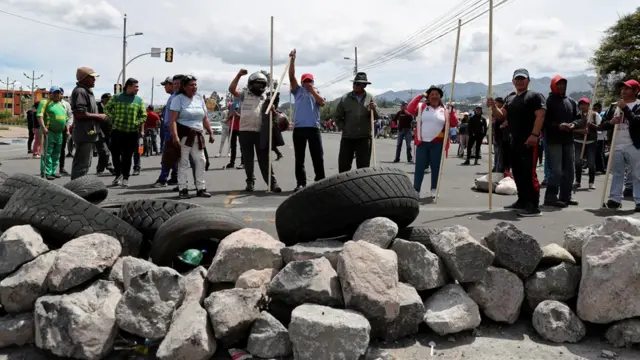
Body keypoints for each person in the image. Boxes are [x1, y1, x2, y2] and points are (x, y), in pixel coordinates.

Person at [488, 68, 546, 217]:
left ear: (528, 80)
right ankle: (522, 200)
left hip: (529, 140)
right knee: (518, 172)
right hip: (514, 141)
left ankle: (533, 205)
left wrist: (534, 135)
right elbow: (501, 116)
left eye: (523, 78)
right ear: (513, 81)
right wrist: (493, 106)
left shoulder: (535, 96)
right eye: (517, 78)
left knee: (528, 172)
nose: (520, 81)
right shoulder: (511, 98)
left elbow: (540, 116)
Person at [228, 69, 281, 192]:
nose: (259, 87)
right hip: (245, 131)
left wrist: (272, 108)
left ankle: (272, 183)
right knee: (248, 159)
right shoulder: (244, 94)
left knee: (264, 160)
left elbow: (273, 113)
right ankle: (250, 182)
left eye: (261, 84)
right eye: (256, 84)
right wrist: (239, 75)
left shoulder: (267, 97)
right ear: (251, 84)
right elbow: (232, 89)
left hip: (260, 132)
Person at [408, 86, 458, 198]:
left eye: (437, 94)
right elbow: (410, 109)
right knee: (419, 168)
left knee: (436, 168)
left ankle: (434, 189)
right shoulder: (421, 107)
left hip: (438, 144)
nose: (434, 96)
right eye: (432, 94)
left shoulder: (445, 110)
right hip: (422, 143)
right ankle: (416, 190)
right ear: (428, 96)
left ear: (440, 96)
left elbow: (454, 123)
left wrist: (452, 111)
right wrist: (420, 96)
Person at [169, 75, 214, 198]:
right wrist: (175, 137)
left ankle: (201, 188)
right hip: (184, 135)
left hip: (197, 135)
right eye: (191, 85)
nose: (194, 87)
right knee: (183, 162)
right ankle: (183, 188)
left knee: (201, 161)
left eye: (195, 84)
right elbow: (173, 120)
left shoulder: (199, 98)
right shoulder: (178, 99)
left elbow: (204, 118)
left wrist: (210, 132)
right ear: (184, 87)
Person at [288, 49, 326, 191]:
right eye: (306, 81)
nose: (308, 83)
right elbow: (291, 76)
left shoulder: (317, 92)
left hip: (313, 128)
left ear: (313, 81)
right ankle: (301, 183)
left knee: (318, 156)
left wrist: (312, 91)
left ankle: (320, 180)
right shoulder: (297, 91)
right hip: (299, 129)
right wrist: (292, 60)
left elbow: (322, 103)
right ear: (302, 82)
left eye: (310, 81)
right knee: (299, 158)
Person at [599, 79, 640, 210]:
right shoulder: (613, 106)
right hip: (616, 144)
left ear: (636, 91)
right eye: (623, 88)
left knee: (637, 173)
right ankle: (614, 199)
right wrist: (611, 122)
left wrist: (625, 108)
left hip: (634, 144)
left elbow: (637, 122)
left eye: (627, 88)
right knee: (617, 173)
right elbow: (602, 125)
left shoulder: (639, 105)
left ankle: (639, 200)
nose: (623, 91)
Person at [542, 75, 582, 208]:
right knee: (557, 170)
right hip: (554, 140)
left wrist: (574, 125)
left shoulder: (571, 101)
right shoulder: (548, 102)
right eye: (558, 84)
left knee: (569, 170)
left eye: (563, 84)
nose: (561, 87)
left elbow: (579, 118)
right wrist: (558, 125)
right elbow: (544, 121)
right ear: (553, 86)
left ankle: (566, 197)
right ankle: (551, 197)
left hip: (568, 140)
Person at [333, 72, 381, 172]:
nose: (355, 85)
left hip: (364, 138)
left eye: (358, 84)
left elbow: (377, 116)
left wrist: (374, 108)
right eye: (354, 83)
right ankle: (344, 186)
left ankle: (361, 187)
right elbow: (337, 117)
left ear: (364, 85)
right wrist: (344, 127)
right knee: (344, 166)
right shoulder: (345, 98)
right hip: (348, 137)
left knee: (363, 168)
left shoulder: (370, 98)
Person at [104, 78, 147, 187]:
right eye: (136, 86)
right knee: (115, 155)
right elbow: (107, 109)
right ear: (129, 86)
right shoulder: (117, 97)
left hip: (132, 133)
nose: (138, 89)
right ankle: (118, 175)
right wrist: (114, 118)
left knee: (128, 156)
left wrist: (136, 123)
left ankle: (126, 178)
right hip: (117, 132)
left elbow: (143, 115)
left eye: (138, 86)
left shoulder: (139, 100)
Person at [70, 66, 104, 180]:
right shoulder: (80, 91)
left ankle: (78, 188)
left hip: (88, 133)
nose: (94, 80)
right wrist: (99, 116)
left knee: (85, 163)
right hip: (84, 134)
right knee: (82, 165)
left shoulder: (86, 91)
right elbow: (80, 113)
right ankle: (76, 190)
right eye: (92, 78)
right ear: (84, 78)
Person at [36, 86, 68, 179]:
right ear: (50, 94)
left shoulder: (61, 105)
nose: (56, 95)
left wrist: (67, 130)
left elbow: (65, 118)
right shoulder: (45, 102)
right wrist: (43, 127)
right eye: (54, 93)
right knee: (47, 153)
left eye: (58, 93)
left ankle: (53, 171)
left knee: (57, 153)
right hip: (49, 131)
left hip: (59, 133)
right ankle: (47, 172)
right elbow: (39, 116)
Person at [154, 76, 180, 188]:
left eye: (166, 84)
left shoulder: (176, 97)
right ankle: (174, 177)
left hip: (171, 129)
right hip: (169, 129)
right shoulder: (173, 97)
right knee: (173, 156)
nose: (165, 87)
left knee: (167, 156)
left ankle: (163, 179)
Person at [573, 98, 601, 190]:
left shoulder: (594, 114)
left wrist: (591, 125)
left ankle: (591, 182)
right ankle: (577, 181)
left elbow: (600, 127)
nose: (582, 106)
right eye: (581, 104)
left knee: (591, 163)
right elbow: (571, 129)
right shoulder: (576, 115)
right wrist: (580, 131)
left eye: (584, 104)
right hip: (578, 141)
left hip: (591, 142)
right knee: (577, 162)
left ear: (589, 105)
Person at [95, 93, 114, 175]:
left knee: (104, 151)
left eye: (110, 99)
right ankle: (109, 166)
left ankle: (100, 168)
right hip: (99, 132)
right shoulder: (97, 107)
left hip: (109, 133)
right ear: (102, 99)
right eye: (107, 99)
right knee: (104, 151)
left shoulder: (112, 107)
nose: (109, 101)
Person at [57, 88, 73, 176]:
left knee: (61, 149)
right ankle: (49, 169)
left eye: (60, 93)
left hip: (63, 130)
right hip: (51, 130)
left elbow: (70, 116)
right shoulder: (48, 104)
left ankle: (61, 168)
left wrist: (68, 128)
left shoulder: (66, 104)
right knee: (51, 150)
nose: (58, 95)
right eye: (56, 93)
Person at [593, 102, 606, 173]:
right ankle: (600, 167)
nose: (594, 110)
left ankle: (601, 168)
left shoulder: (602, 116)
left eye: (596, 108)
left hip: (600, 138)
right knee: (598, 153)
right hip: (597, 137)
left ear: (600, 109)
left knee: (599, 153)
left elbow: (601, 127)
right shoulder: (594, 116)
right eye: (593, 108)